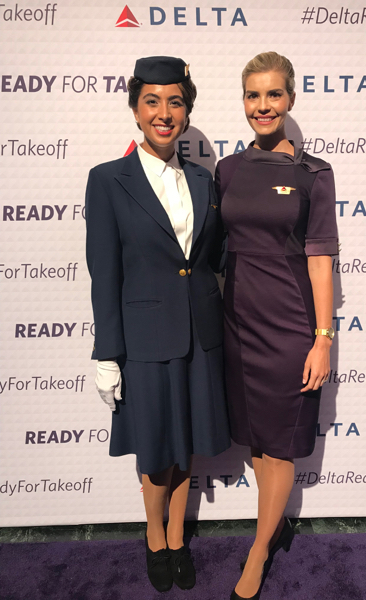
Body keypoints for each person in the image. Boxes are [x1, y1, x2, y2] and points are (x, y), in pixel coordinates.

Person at [85, 56, 230, 594]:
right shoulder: (107, 180)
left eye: (175, 101)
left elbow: (215, 257)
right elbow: (104, 274)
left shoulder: (203, 178)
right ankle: (154, 534)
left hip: (200, 333)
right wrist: (106, 354)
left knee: (185, 440)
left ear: (186, 110)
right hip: (145, 338)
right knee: (155, 445)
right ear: (136, 109)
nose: (164, 113)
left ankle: (176, 532)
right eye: (152, 101)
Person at [215, 51, 338, 600]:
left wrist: (323, 339)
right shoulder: (228, 170)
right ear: (244, 101)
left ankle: (258, 550)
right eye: (252, 95)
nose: (262, 106)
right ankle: (275, 525)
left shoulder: (314, 174)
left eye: (273, 95)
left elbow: (319, 260)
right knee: (259, 444)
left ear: (290, 99)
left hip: (291, 330)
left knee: (281, 445)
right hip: (237, 324)